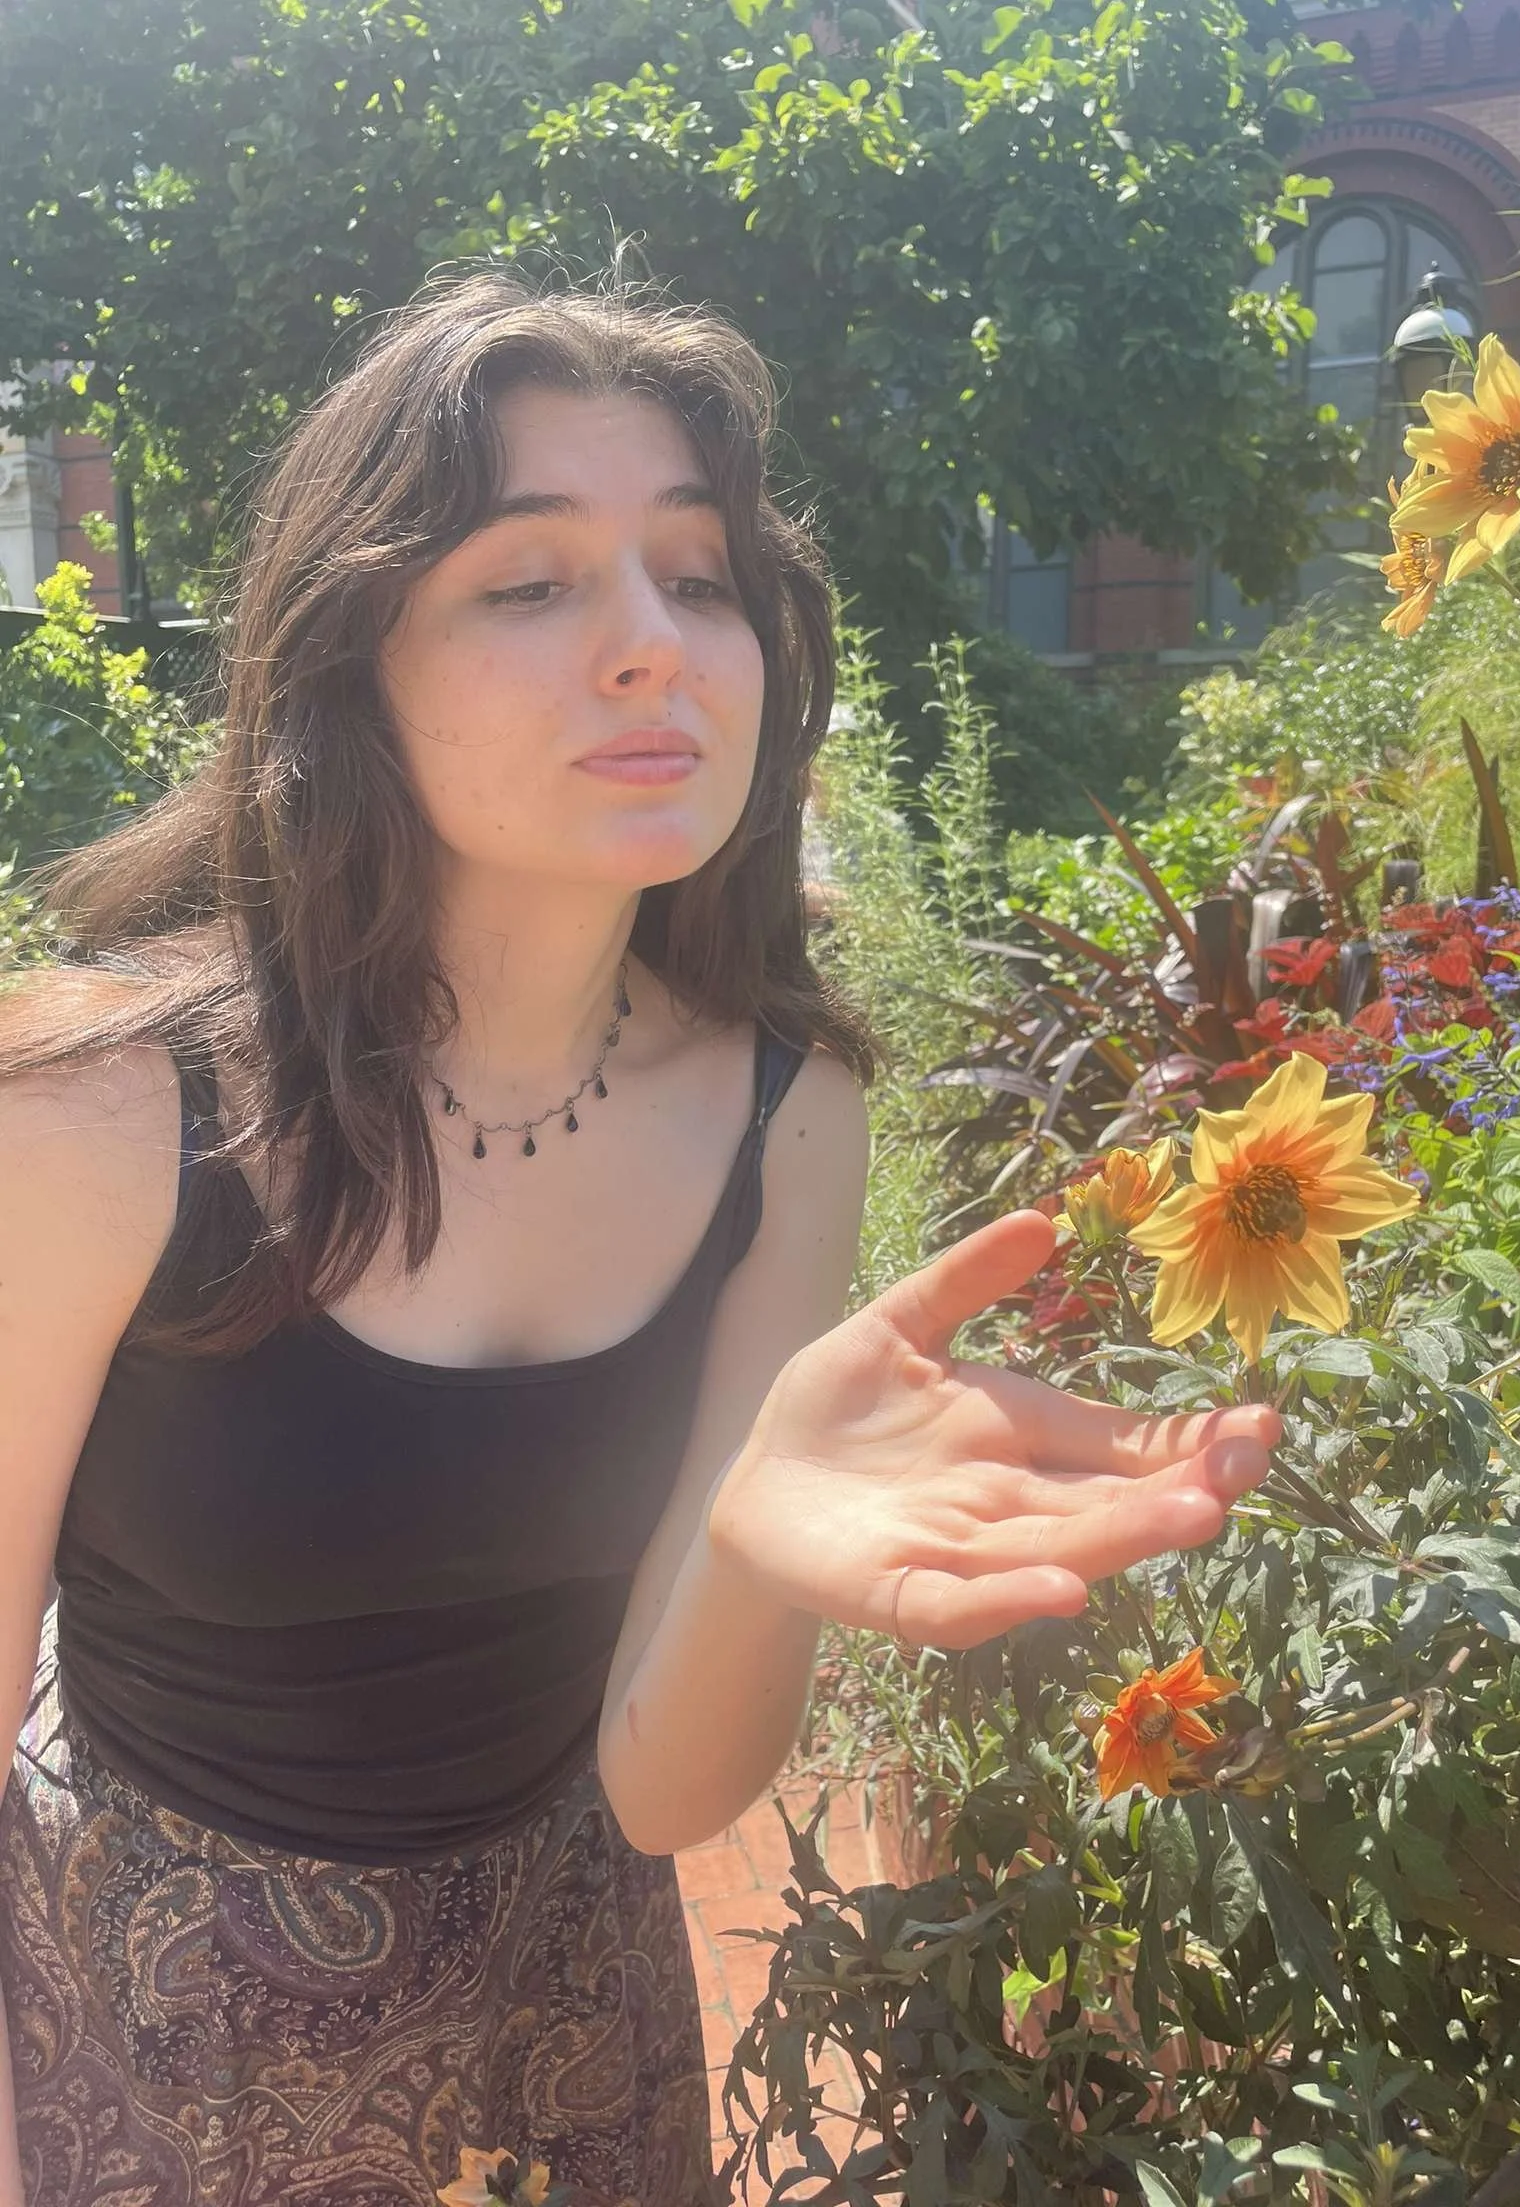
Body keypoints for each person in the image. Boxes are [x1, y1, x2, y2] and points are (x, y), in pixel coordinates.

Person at [0, 270, 1278, 2207]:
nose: (649, 648)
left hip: (569, 2010)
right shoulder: (97, 1110)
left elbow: (663, 1792)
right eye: (530, 584)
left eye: (698, 575)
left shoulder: (786, 1115)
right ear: (353, 661)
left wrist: (757, 1541)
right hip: (165, 2030)